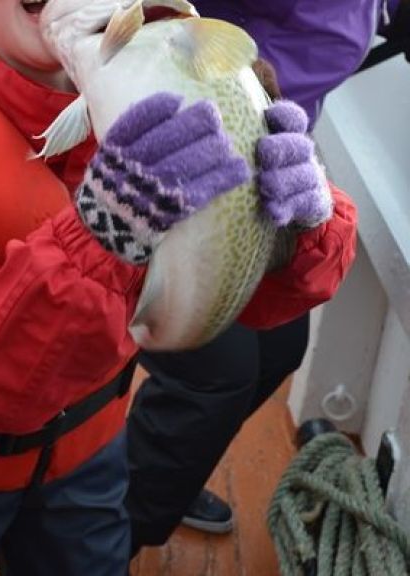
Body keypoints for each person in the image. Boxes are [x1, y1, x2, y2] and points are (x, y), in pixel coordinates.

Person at [0, 1, 355, 574]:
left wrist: (299, 225)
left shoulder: (157, 95)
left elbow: (249, 295)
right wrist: (107, 232)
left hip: (84, 459)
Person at [125, 0, 391, 552]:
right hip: (181, 156)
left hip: (264, 169)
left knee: (280, 344)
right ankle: (117, 527)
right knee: (215, 372)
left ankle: (151, 475)